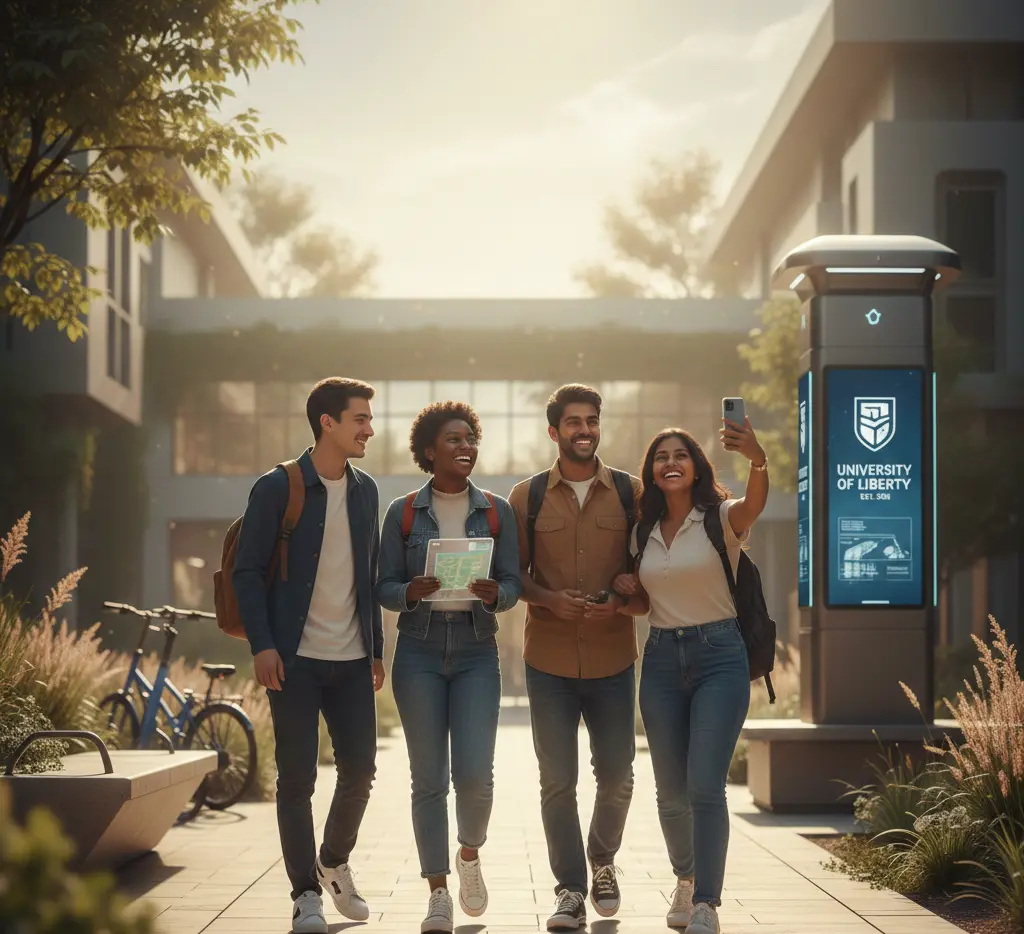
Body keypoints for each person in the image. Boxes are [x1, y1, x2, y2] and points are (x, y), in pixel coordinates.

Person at [233, 377, 386, 934]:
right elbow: (247, 570)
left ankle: (333, 860)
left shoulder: (366, 489)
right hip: (292, 660)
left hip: (350, 659)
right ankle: (305, 895)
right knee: (296, 780)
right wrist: (263, 644)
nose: (369, 428)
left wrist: (375, 648)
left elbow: (367, 574)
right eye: (360, 419)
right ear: (328, 422)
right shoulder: (278, 486)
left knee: (361, 771)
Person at [612, 418, 769, 933]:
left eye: (681, 455)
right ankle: (684, 878)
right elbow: (641, 606)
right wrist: (623, 591)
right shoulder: (643, 532)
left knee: (705, 785)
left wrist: (758, 459)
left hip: (719, 655)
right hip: (660, 659)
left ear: (697, 467)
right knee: (669, 791)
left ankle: (706, 902)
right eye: (661, 457)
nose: (671, 462)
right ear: (652, 472)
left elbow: (754, 506)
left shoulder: (720, 518)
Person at [377, 400, 522, 934]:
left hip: (476, 649)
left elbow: (514, 582)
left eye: (470, 439)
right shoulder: (404, 512)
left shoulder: (497, 510)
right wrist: (408, 591)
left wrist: (496, 594)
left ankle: (468, 855)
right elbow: (383, 587)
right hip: (417, 650)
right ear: (430, 450)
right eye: (454, 440)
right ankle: (437, 891)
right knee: (428, 779)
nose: (465, 448)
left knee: (476, 776)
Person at [508, 384, 646, 933]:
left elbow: (648, 577)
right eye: (573, 422)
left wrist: (622, 597)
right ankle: (569, 890)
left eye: (591, 420)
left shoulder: (634, 495)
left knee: (617, 776)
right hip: (549, 662)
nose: (584, 430)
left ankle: (602, 861)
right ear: (554, 431)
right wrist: (548, 600)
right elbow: (511, 576)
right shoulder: (528, 496)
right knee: (557, 781)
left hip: (614, 658)